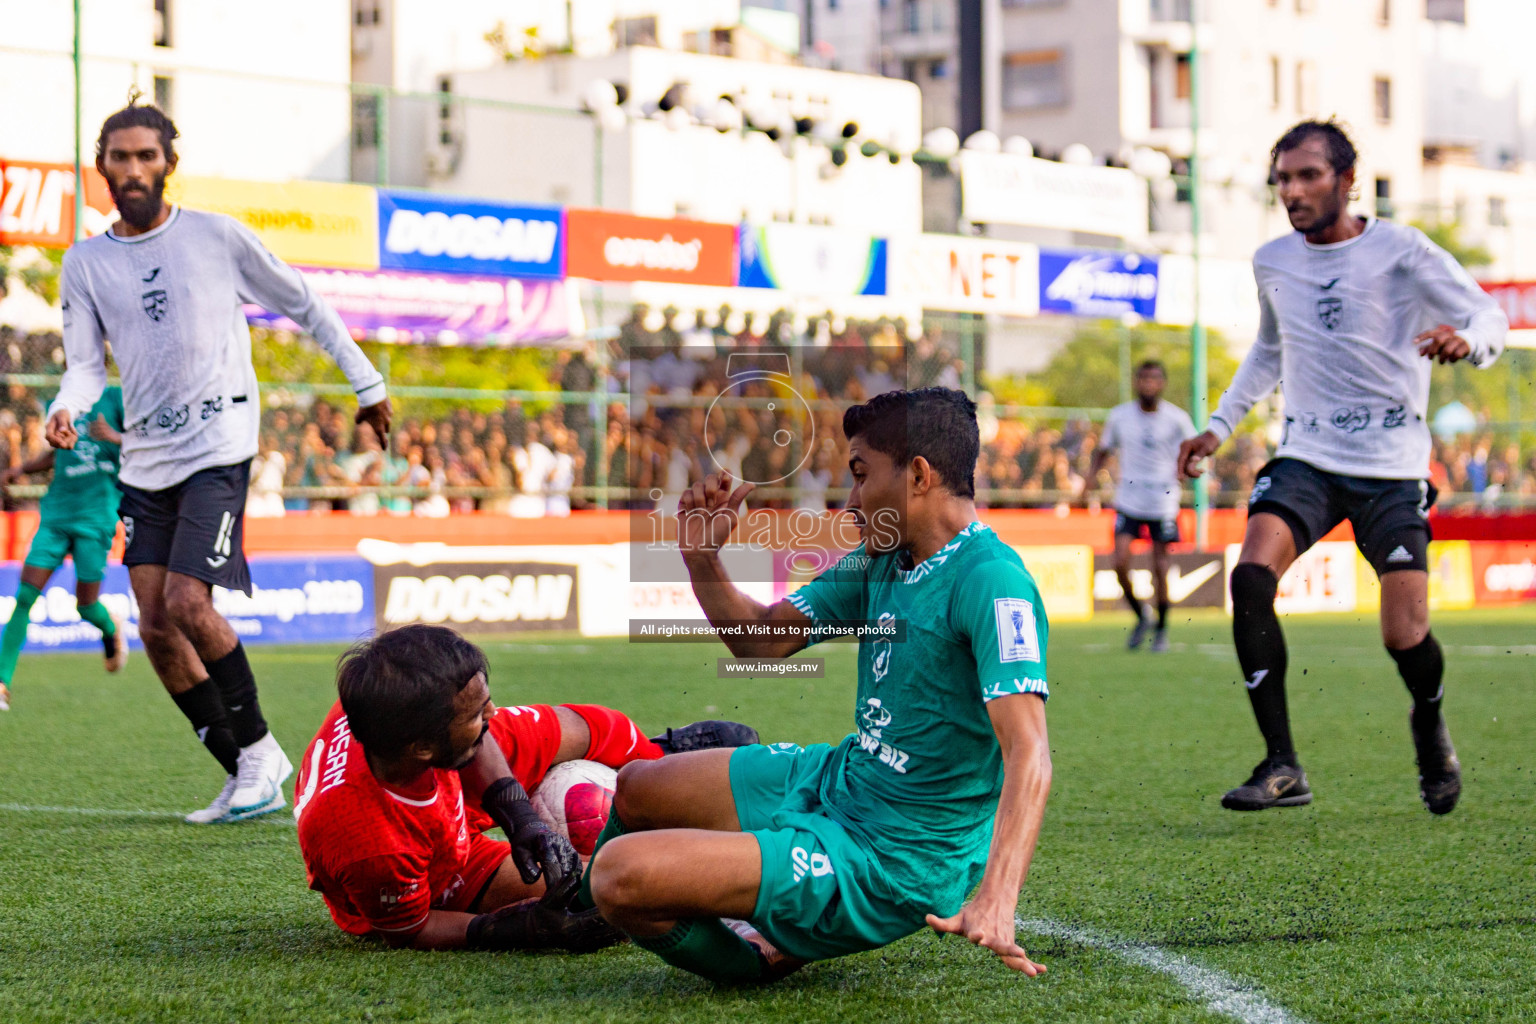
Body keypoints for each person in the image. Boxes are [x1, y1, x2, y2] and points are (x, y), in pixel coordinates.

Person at [584, 388, 1054, 983]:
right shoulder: (885, 559)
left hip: (896, 855)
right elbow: (761, 640)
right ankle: (576, 913)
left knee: (620, 874)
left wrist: (998, 898)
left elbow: (1030, 750)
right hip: (844, 780)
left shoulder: (991, 582)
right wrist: (702, 559)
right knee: (635, 787)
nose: (851, 500)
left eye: (861, 476)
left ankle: (749, 958)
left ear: (917, 475)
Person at [45, 99, 392, 823]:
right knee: (153, 624)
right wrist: (65, 408)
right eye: (120, 157)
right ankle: (245, 771)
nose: (133, 169)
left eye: (147, 155)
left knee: (185, 601)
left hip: (219, 446)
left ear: (169, 162)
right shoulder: (84, 264)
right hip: (144, 460)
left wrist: (368, 385)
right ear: (102, 166)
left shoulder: (216, 237)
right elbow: (84, 368)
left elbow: (305, 303)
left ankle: (262, 748)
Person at [1177, 119, 1507, 816]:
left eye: (1306, 177)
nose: (1291, 192)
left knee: (1403, 634)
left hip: (1391, 464)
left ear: (1347, 180)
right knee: (1250, 576)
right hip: (1308, 456)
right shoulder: (1273, 261)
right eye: (1282, 181)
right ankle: (1282, 762)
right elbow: (1270, 350)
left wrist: (1468, 341)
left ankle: (1428, 719)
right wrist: (1217, 426)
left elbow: (1488, 315)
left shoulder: (1402, 250)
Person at [293, 624, 758, 950]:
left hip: (447, 771)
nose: (494, 716)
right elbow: (412, 930)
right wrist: (519, 929)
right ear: (422, 747)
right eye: (478, 714)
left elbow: (485, 732)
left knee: (589, 726)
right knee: (592, 897)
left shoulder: (389, 698)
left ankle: (659, 756)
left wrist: (521, 818)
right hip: (433, 859)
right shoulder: (375, 848)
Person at [0, 384, 129, 711]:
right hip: (57, 514)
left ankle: (110, 626)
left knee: (85, 606)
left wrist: (114, 437)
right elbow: (57, 452)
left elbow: (151, 445)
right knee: (25, 597)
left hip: (96, 518)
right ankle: (2, 684)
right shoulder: (66, 399)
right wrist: (22, 469)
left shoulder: (117, 397)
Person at [1086, 360, 1197, 652]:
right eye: (1144, 378)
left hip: (1163, 500)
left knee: (1160, 566)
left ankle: (1161, 630)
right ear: (1136, 382)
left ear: (1162, 383)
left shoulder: (1177, 418)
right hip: (1129, 499)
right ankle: (1141, 616)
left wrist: (1188, 468)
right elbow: (1103, 450)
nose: (1149, 384)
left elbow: (1194, 450)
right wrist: (1089, 480)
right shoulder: (1120, 416)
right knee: (1119, 561)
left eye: (1155, 379)